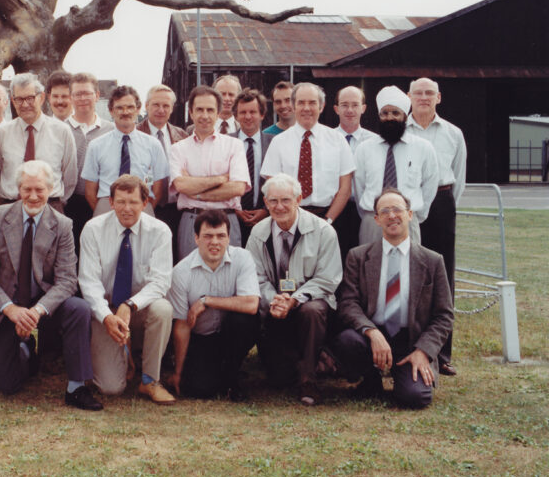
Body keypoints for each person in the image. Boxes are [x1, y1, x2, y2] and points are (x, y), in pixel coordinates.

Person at [0, 161, 102, 409]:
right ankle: (25, 350)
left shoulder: (63, 224)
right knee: (5, 387)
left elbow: (67, 279)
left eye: (39, 189)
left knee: (79, 309)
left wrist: (37, 311)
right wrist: (11, 309)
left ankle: (77, 387)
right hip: (5, 305)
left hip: (43, 302)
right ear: (18, 189)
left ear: (51, 190)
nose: (33, 196)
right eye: (27, 189)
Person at [335, 189, 454, 408]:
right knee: (346, 341)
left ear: (410, 214)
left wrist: (423, 351)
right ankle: (370, 381)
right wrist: (371, 332)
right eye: (384, 211)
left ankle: (404, 377)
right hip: (372, 336)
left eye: (397, 210)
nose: (391, 216)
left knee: (416, 398)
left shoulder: (432, 261)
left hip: (411, 342)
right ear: (376, 219)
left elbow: (444, 315)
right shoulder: (358, 256)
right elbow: (348, 303)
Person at [245, 173, 342, 406]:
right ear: (265, 202)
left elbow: (328, 279)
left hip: (310, 304)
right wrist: (275, 300)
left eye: (286, 200)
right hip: (275, 308)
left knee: (312, 310)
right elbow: (254, 277)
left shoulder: (323, 231)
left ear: (298, 200)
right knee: (279, 378)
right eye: (273, 201)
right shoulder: (258, 233)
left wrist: (295, 300)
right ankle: (319, 359)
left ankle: (309, 379)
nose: (279, 207)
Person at [79, 175, 175, 405]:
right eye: (121, 202)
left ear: (145, 203)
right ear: (111, 202)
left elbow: (160, 282)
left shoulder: (160, 231)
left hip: (139, 308)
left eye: (133, 202)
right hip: (107, 310)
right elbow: (88, 282)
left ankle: (150, 379)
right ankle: (124, 357)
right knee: (111, 388)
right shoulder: (93, 229)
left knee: (163, 308)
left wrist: (130, 305)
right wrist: (106, 317)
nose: (127, 208)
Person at [167, 209, 259, 401]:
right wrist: (178, 372)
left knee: (245, 319)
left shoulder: (242, 258)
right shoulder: (181, 272)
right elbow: (182, 325)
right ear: (196, 238)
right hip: (202, 337)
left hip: (230, 332)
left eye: (221, 236)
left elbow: (251, 304)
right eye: (208, 236)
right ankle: (219, 372)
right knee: (200, 390)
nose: (215, 242)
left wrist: (207, 300)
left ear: (228, 238)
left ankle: (232, 376)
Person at [407, 77, 466, 377]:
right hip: (409, 205)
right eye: (418, 93)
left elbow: (459, 176)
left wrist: (443, 207)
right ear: (409, 96)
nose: (423, 97)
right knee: (411, 272)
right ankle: (409, 346)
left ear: (438, 97)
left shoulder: (453, 133)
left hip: (442, 204)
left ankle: (441, 353)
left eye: (429, 93)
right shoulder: (401, 130)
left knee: (442, 276)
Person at [260, 82, 355, 228]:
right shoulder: (278, 142)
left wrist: (328, 220)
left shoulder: (338, 140)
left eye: (312, 103)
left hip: (331, 219)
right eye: (301, 103)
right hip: (289, 219)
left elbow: (345, 188)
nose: (306, 108)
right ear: (293, 106)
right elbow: (272, 187)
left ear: (321, 106)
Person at [169, 86, 249, 255]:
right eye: (199, 110)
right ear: (191, 113)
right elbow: (181, 186)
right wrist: (221, 179)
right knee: (189, 270)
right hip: (191, 222)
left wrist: (196, 193)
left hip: (226, 221)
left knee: (229, 270)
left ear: (218, 113)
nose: (205, 115)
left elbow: (237, 188)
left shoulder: (234, 145)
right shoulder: (178, 149)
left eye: (210, 110)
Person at [354, 86, 439, 245]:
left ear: (405, 116)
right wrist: (372, 214)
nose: (390, 118)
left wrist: (413, 215)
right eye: (385, 113)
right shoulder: (364, 149)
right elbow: (359, 187)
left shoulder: (423, 148)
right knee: (370, 260)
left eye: (395, 113)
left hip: (407, 221)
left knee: (409, 261)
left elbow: (430, 184)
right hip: (373, 221)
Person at [82, 86, 169, 217]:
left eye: (130, 107)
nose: (125, 112)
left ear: (138, 109)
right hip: (107, 203)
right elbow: (90, 191)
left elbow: (158, 188)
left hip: (141, 203)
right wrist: (106, 215)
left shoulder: (153, 145)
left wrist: (142, 209)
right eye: (119, 108)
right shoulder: (96, 146)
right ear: (111, 111)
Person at [0, 73, 76, 212]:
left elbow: (70, 177)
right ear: (13, 101)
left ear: (42, 98)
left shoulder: (62, 131)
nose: (25, 104)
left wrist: (54, 201)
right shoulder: (1, 133)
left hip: (50, 207)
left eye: (30, 98)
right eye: (19, 99)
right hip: (10, 207)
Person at [136, 84, 188, 261]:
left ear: (172, 108)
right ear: (146, 106)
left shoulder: (182, 135)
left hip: (176, 208)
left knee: (174, 256)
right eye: (156, 105)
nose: (161, 110)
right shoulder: (135, 134)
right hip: (147, 206)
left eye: (166, 106)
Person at [64, 72, 112, 249]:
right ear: (71, 98)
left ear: (97, 95)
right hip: (67, 203)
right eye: (78, 94)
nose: (83, 98)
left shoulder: (111, 130)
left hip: (100, 203)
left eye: (87, 93)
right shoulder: (60, 129)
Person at [332, 86, 379, 262]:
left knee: (363, 259)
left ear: (363, 108)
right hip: (334, 210)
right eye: (344, 105)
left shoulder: (376, 142)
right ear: (336, 109)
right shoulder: (326, 139)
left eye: (355, 105)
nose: (350, 110)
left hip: (364, 211)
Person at [231, 89, 273, 247]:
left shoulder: (274, 143)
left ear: (262, 114)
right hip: (232, 217)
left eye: (253, 112)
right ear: (236, 116)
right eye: (243, 112)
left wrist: (266, 210)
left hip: (266, 218)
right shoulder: (226, 143)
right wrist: (235, 209)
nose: (248, 117)